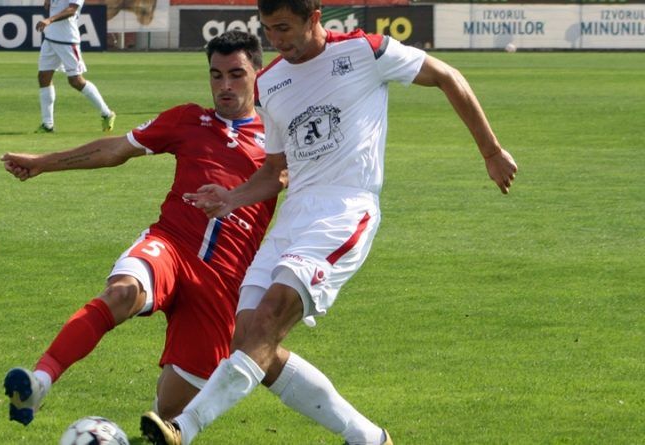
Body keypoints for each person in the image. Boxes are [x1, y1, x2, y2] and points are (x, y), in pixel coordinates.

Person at [139, 0, 519, 444]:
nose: (277, 41)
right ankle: (367, 437)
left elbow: (447, 76)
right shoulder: (272, 82)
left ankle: (185, 427)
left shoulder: (364, 52)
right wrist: (231, 199)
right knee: (248, 338)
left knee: (268, 321)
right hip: (295, 214)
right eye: (269, 30)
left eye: (284, 28)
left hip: (344, 210)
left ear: (314, 17)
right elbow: (274, 171)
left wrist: (491, 151)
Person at [1, 31, 279, 426]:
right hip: (170, 245)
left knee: (169, 413)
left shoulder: (279, 138)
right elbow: (116, 149)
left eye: (236, 74)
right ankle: (40, 380)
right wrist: (43, 162)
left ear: (258, 73)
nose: (225, 86)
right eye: (216, 75)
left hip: (222, 283)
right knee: (122, 292)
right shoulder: (188, 119)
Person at [35, 0, 115, 133]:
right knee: (43, 77)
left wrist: (49, 20)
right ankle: (47, 124)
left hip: (68, 41)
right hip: (50, 39)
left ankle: (107, 113)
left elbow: (71, 10)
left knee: (75, 81)